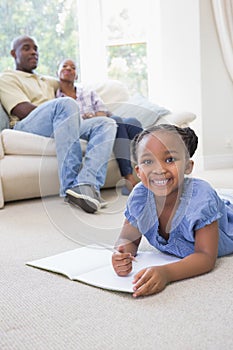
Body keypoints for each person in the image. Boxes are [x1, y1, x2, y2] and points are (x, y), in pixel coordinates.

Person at [112, 124, 233, 297]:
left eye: (169, 160)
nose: (159, 169)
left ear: (188, 166)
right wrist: (121, 254)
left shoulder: (201, 200)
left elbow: (205, 256)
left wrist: (166, 273)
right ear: (138, 171)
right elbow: (127, 239)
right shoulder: (139, 197)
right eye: (148, 161)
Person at [0, 35, 117, 214]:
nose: (33, 52)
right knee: (65, 104)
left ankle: (85, 184)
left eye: (36, 48)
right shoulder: (7, 78)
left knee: (106, 123)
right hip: (27, 125)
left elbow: (69, 81)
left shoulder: (46, 80)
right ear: (13, 53)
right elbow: (21, 110)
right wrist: (62, 111)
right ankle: (70, 186)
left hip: (60, 122)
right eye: (26, 48)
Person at [56, 58, 143, 194]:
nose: (68, 69)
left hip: (106, 122)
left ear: (76, 75)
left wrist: (92, 116)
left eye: (73, 67)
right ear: (57, 73)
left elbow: (102, 113)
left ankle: (149, 171)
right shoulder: (57, 100)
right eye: (64, 66)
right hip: (87, 128)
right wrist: (91, 117)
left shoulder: (88, 92)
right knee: (116, 121)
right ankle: (129, 176)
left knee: (133, 122)